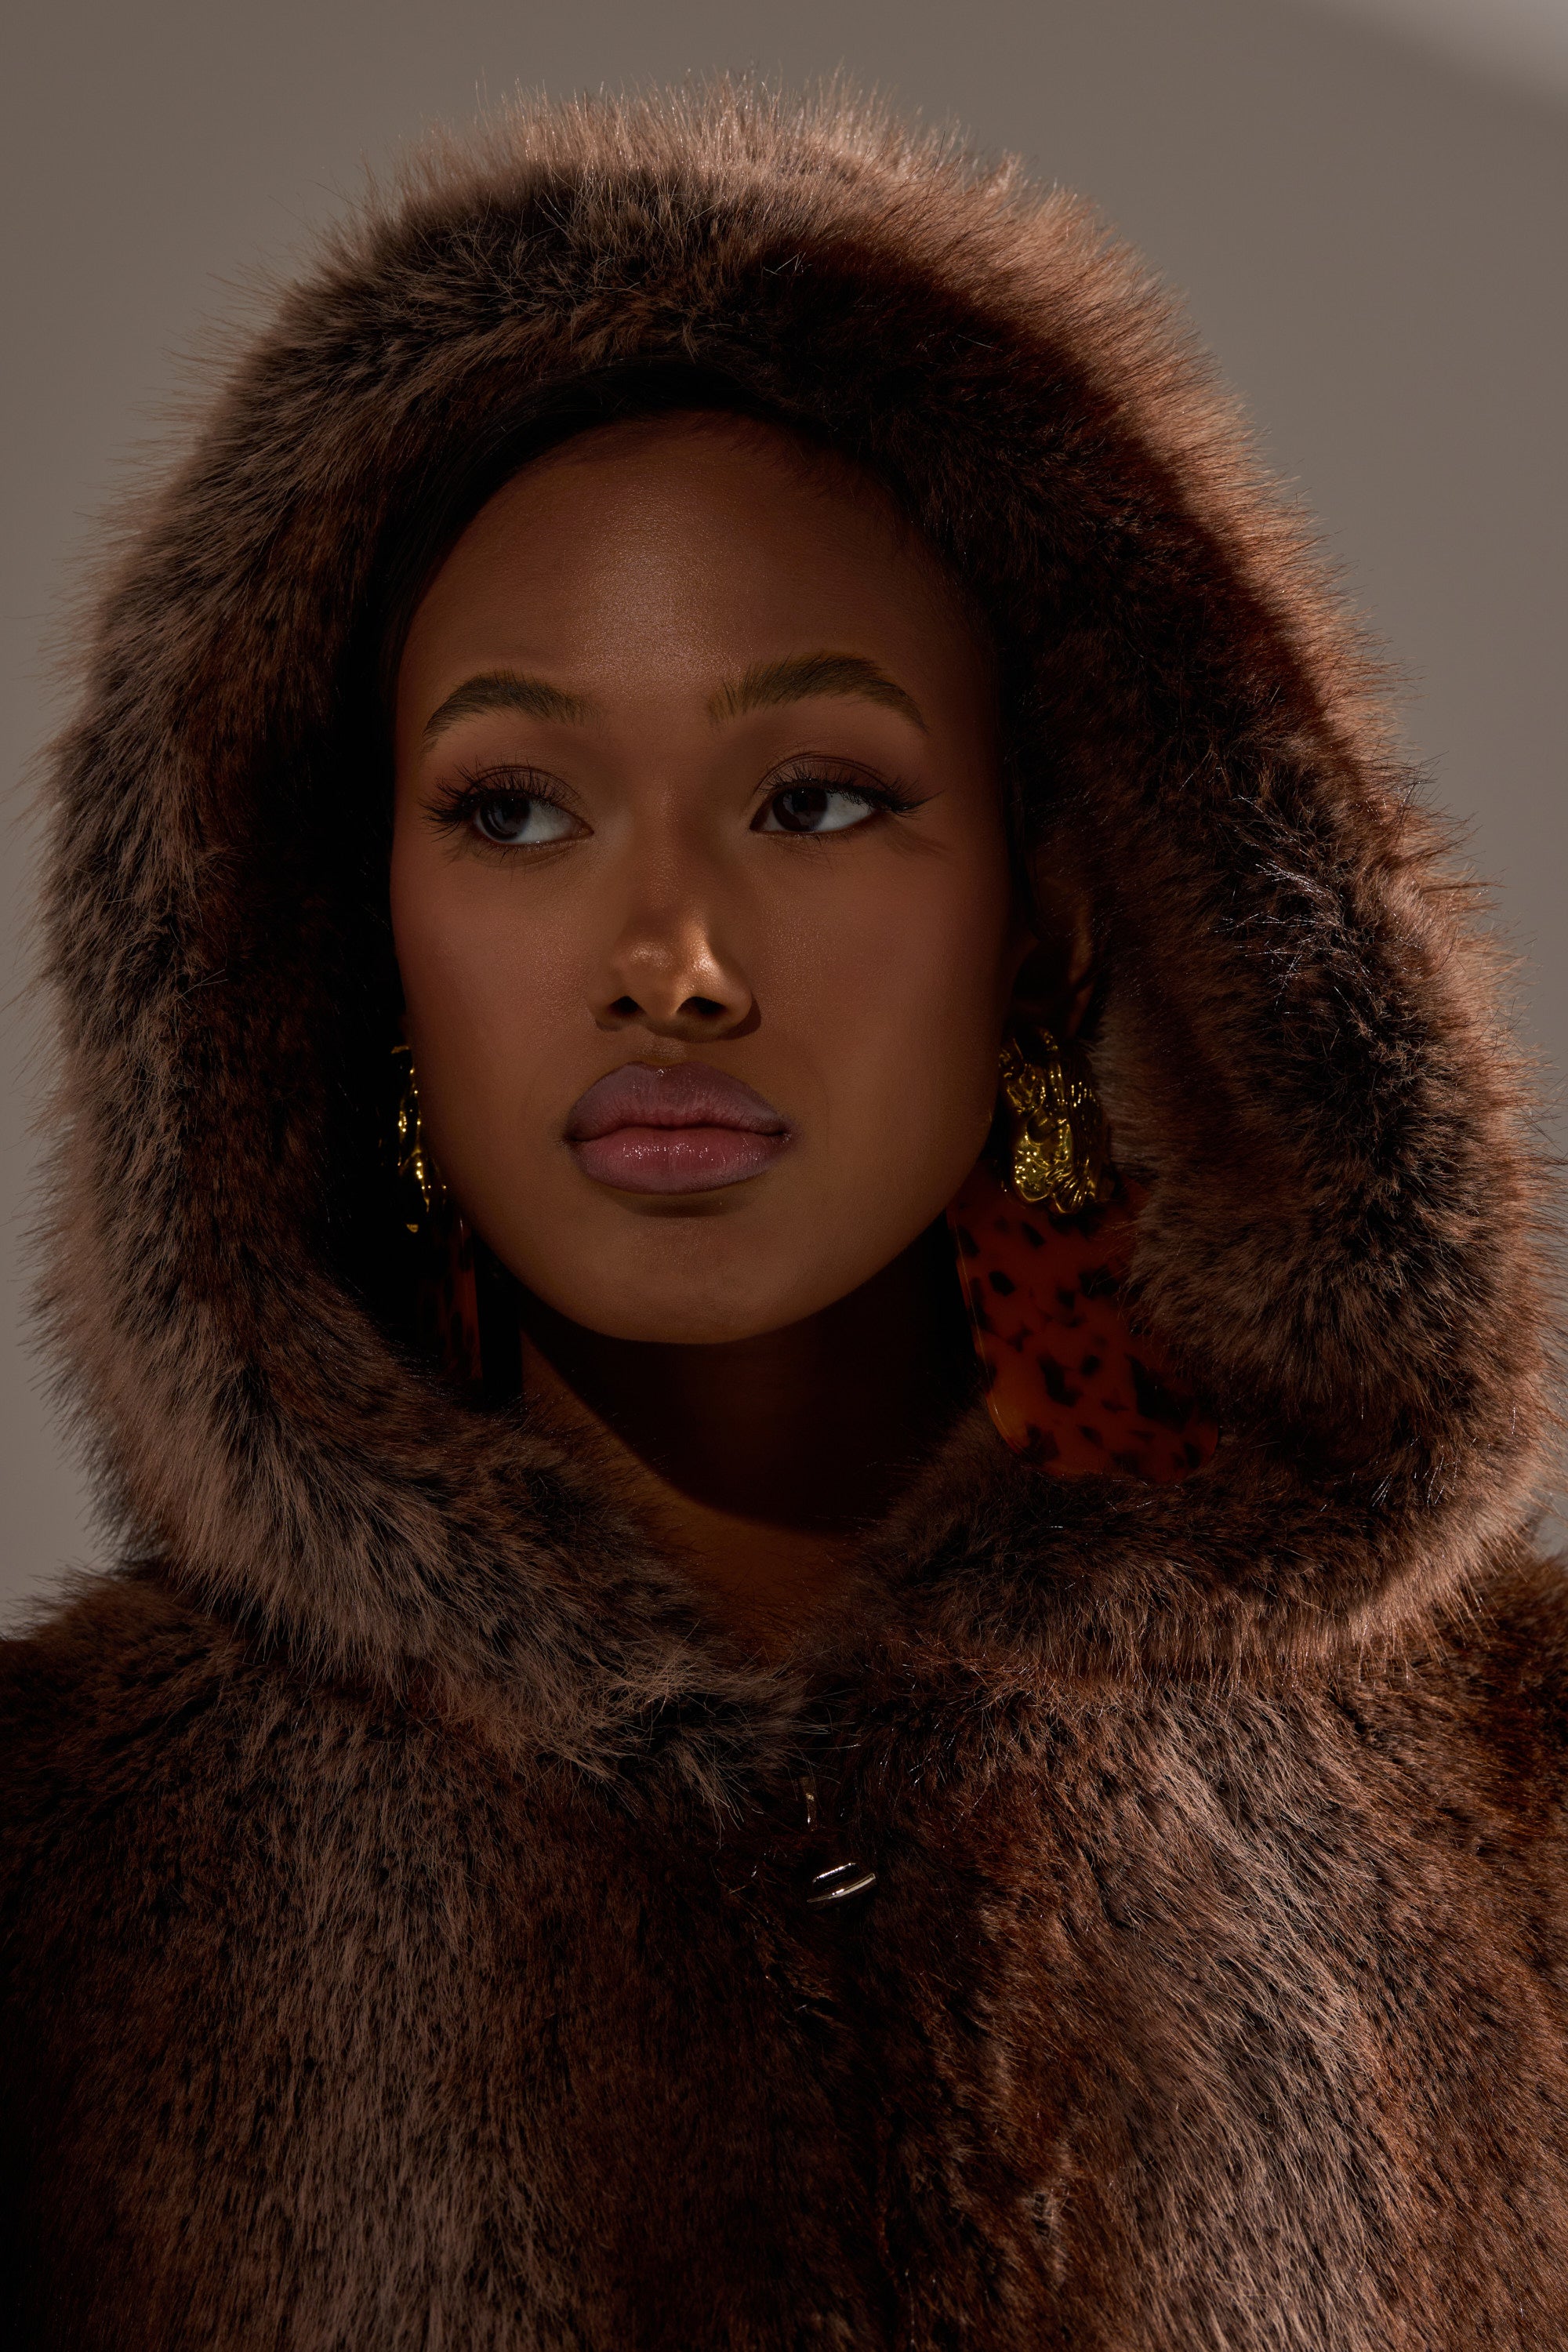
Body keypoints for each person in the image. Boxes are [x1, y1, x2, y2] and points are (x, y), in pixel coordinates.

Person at [2, 85, 1564, 2350]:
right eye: (516, 806)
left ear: (1051, 897)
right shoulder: (54, 1894)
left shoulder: (1516, 1819)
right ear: (355, 930)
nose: (676, 959)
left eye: (820, 795)